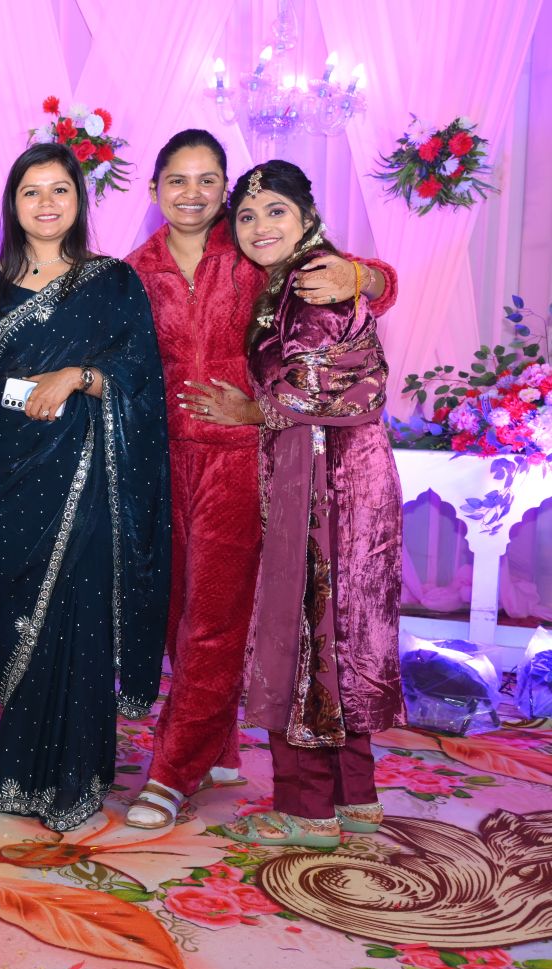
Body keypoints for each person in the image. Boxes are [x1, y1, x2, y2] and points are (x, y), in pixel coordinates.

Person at [122, 130, 399, 829]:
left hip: (245, 459)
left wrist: (366, 276)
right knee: (178, 618)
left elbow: (348, 280)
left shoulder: (250, 255)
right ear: (154, 190)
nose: (191, 193)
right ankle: (216, 745)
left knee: (214, 623)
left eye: (206, 179)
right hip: (162, 462)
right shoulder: (132, 271)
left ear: (224, 187)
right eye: (176, 180)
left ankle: (171, 773)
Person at [0, 142, 170, 831]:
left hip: (88, 471)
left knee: (78, 614)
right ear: (12, 204)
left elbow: (142, 379)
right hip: (5, 471)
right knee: (17, 617)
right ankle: (20, 769)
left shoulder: (113, 282)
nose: (46, 203)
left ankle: (75, 776)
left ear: (79, 201)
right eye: (31, 191)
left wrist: (78, 375)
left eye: (59, 190)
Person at [215, 160, 403, 849]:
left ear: (306, 218)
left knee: (306, 634)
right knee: (341, 634)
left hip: (325, 483)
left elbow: (347, 388)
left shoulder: (314, 282)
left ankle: (308, 808)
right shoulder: (301, 278)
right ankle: (355, 796)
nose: (259, 226)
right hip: (339, 478)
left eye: (276, 212)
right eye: (247, 215)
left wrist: (254, 410)